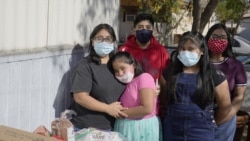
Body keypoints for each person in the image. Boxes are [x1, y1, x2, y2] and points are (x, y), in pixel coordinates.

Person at [161, 31, 232, 141]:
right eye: (183, 49)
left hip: (202, 130)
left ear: (202, 51)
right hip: (172, 127)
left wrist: (210, 123)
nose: (186, 52)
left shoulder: (214, 75)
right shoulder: (169, 72)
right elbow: (164, 99)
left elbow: (225, 107)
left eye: (191, 49)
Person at [68, 23, 127, 131]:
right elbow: (80, 97)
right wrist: (108, 108)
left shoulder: (118, 63)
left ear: (113, 42)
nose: (104, 42)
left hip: (117, 126)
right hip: (88, 129)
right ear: (92, 41)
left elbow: (135, 76)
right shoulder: (85, 65)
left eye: (108, 39)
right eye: (99, 38)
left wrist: (152, 88)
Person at [205, 23, 247, 141]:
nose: (218, 40)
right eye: (214, 36)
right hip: (200, 119)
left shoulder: (236, 66)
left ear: (228, 41)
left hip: (225, 121)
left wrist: (222, 118)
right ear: (207, 38)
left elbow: (238, 97)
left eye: (223, 37)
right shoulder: (199, 64)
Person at [107, 51, 162, 141]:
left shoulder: (144, 78)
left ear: (134, 65)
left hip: (141, 129)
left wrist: (118, 112)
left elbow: (147, 108)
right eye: (116, 71)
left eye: (123, 68)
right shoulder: (123, 83)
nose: (120, 73)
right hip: (124, 127)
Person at [118, 13, 170, 82]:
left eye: (148, 27)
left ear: (153, 29)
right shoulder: (123, 51)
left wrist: (160, 89)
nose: (144, 30)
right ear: (134, 29)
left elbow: (167, 78)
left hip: (154, 92)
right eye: (140, 27)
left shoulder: (162, 51)